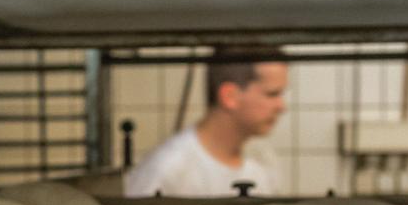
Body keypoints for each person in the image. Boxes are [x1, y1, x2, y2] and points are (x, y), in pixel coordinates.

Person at [122, 48, 288, 197]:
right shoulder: (168, 169)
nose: (282, 106)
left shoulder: (263, 158)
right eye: (272, 94)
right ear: (230, 96)